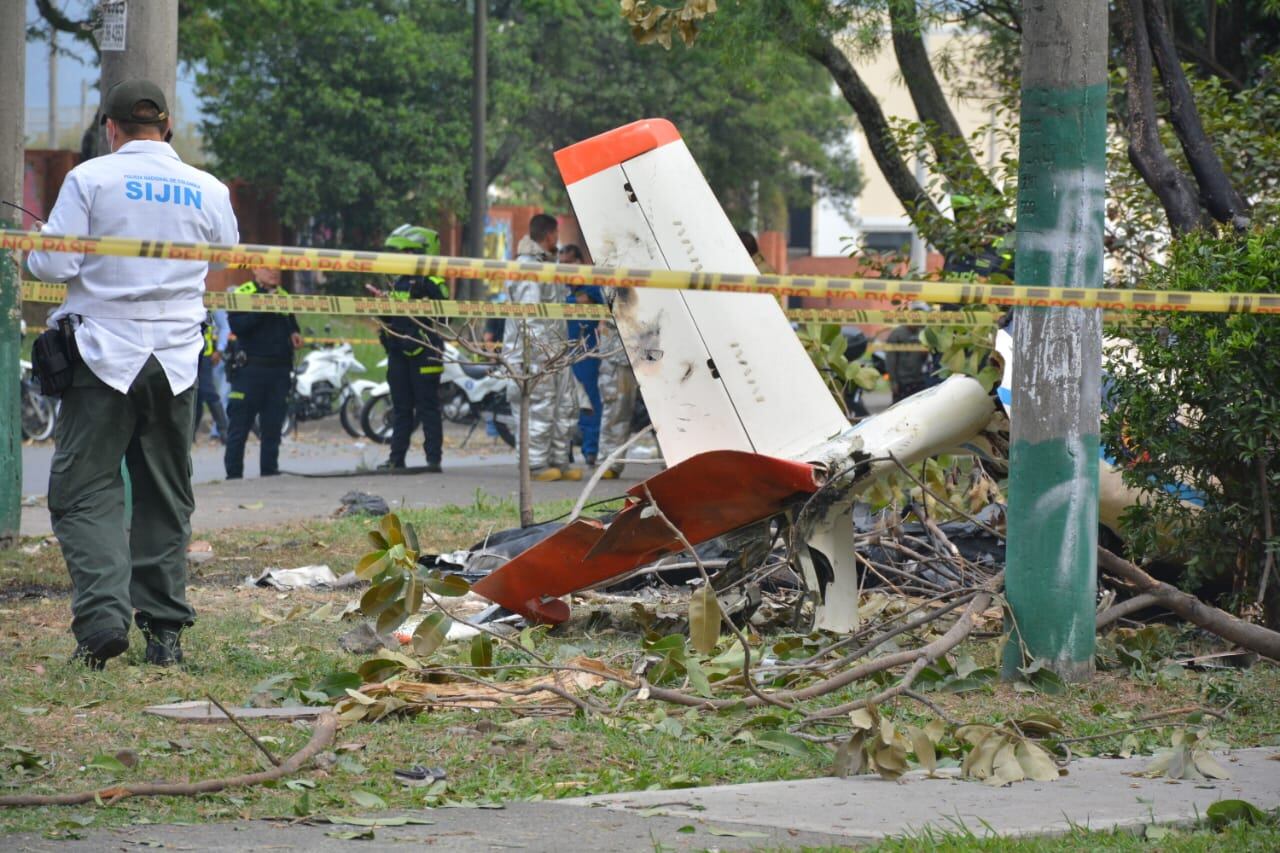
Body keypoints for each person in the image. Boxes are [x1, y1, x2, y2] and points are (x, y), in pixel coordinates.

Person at [27, 79, 239, 668]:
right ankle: (165, 636)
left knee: (82, 492)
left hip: (102, 355)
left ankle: (102, 621)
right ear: (167, 127)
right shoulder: (208, 187)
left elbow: (54, 265)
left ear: (111, 129)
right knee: (165, 496)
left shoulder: (90, 178)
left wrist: (39, 244)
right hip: (176, 360)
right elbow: (227, 253)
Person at [503, 214, 580, 481]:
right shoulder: (528, 268)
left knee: (565, 405)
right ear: (549, 235)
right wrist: (542, 352)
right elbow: (530, 315)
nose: (558, 240)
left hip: (554, 350)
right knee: (540, 406)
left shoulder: (547, 265)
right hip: (533, 353)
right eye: (556, 235)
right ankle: (535, 465)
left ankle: (559, 460)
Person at [374, 224, 447, 472]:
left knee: (428, 408)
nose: (402, 258)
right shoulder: (399, 283)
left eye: (407, 253)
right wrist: (382, 305)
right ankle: (396, 460)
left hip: (425, 353)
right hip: (398, 352)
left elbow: (446, 317)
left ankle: (433, 460)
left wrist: (423, 290)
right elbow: (391, 320)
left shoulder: (433, 281)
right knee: (401, 409)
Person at [223, 267, 301, 479]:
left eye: (276, 269)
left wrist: (295, 333)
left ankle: (269, 472)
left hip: (279, 371)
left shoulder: (283, 295)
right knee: (239, 426)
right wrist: (265, 305)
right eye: (267, 268)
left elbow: (291, 323)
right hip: (250, 370)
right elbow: (238, 326)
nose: (273, 273)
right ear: (256, 270)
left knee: (273, 426)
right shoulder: (243, 293)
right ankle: (233, 476)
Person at [560, 244, 604, 465]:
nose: (566, 267)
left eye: (569, 263)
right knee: (565, 403)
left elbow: (605, 306)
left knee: (590, 402)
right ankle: (564, 451)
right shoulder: (563, 288)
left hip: (587, 354)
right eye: (563, 264)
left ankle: (590, 450)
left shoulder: (592, 285)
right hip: (563, 354)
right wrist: (574, 301)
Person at [885, 301, 933, 402]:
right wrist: (893, 382)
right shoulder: (897, 334)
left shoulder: (922, 333)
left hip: (919, 381)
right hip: (902, 382)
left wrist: (925, 354)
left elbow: (926, 359)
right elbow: (891, 361)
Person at [192, 314, 229, 443]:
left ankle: (223, 431)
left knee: (208, 392)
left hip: (204, 355)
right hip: (187, 354)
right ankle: (190, 435)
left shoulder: (210, 304)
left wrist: (220, 349)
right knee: (196, 396)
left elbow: (224, 326)